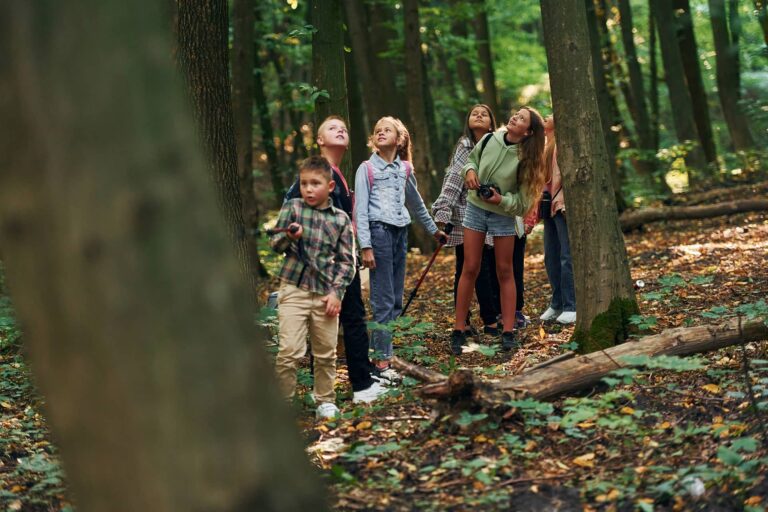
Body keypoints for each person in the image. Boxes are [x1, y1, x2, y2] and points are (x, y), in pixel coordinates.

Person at [284, 116, 389, 404]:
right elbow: (293, 213)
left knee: (351, 319)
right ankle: (361, 386)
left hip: (342, 263)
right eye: (332, 128)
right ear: (319, 140)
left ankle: (361, 377)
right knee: (346, 321)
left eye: (343, 127)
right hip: (324, 268)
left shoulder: (338, 175)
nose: (340, 129)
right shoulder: (316, 173)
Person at [354, 117, 446, 379]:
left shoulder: (404, 169)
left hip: (399, 234)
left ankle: (383, 354)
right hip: (379, 233)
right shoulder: (366, 169)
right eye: (377, 131)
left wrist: (433, 231)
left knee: (395, 299)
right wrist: (366, 246)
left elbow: (416, 205)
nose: (381, 133)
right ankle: (382, 365)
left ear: (400, 138)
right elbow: (360, 210)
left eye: (387, 130)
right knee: (382, 299)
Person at [451, 107, 546, 355]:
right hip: (475, 208)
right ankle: (458, 329)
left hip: (502, 215)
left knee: (505, 270)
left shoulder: (527, 158)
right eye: (516, 114)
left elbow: (523, 204)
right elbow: (471, 160)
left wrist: (500, 200)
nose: (515, 116)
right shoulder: (488, 139)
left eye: (522, 118)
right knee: (470, 267)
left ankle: (508, 332)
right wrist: (470, 172)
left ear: (529, 131)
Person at [271, 156, 356, 419]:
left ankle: (325, 401)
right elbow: (274, 243)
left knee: (325, 353)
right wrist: (288, 235)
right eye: (304, 183)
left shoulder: (340, 219)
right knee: (289, 351)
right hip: (293, 289)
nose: (308, 189)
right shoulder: (293, 208)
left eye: (315, 183)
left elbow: (347, 262)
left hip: (325, 295)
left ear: (330, 187)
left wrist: (336, 293)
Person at [432, 104, 504, 337]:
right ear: (468, 121)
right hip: (466, 215)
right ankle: (481, 322)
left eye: (484, 113)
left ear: (492, 123)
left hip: (491, 214)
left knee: (484, 269)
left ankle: (480, 319)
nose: (479, 115)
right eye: (475, 113)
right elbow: (454, 179)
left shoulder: (497, 147)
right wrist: (443, 211)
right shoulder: (465, 146)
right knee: (472, 268)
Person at [539, 115, 576, 324]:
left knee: (566, 255)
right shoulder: (546, 145)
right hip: (548, 206)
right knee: (550, 256)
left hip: (561, 205)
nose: (547, 116)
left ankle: (572, 305)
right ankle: (557, 303)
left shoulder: (563, 142)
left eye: (551, 114)